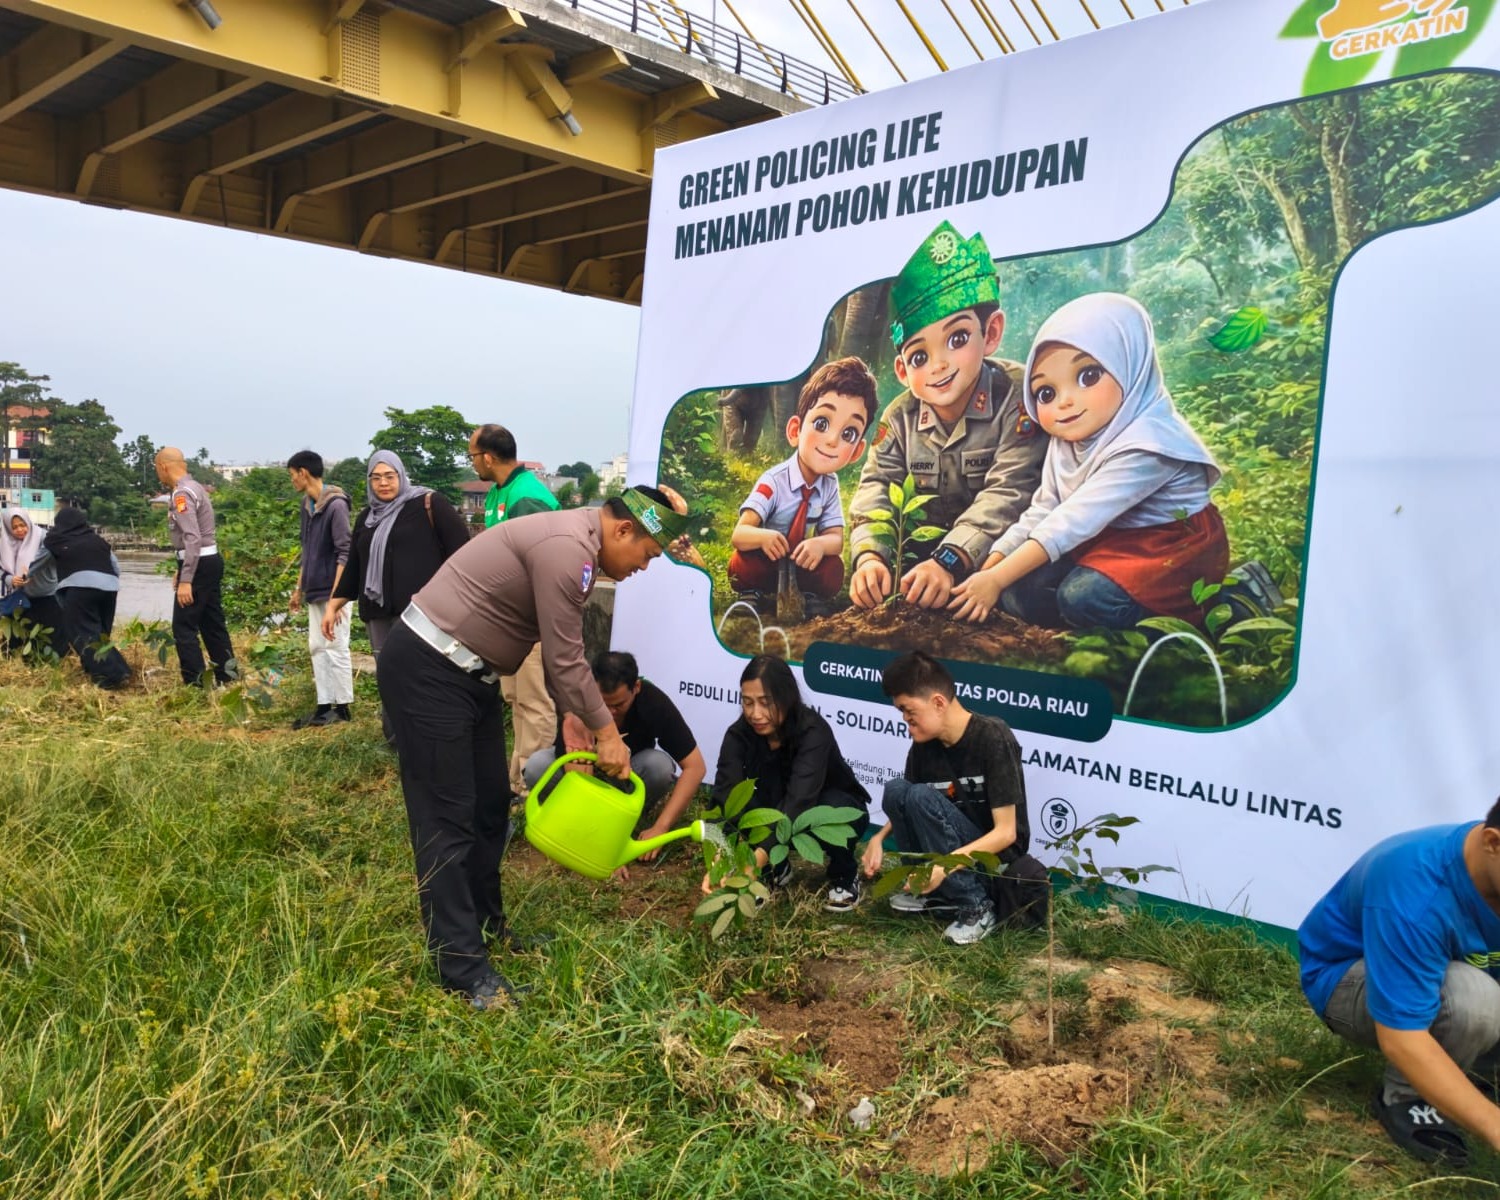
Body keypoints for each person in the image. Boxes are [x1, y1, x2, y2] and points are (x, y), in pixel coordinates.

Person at [376, 485, 686, 1010]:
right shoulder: (569, 549)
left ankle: (487, 927)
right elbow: (566, 658)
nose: (644, 567)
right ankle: (462, 967)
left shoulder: (579, 544)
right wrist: (607, 734)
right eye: (647, 555)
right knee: (447, 819)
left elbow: (555, 647)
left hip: (469, 678)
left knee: (491, 806)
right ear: (624, 530)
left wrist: (576, 717)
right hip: (429, 669)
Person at [950, 293, 1230, 629]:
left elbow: (1072, 520)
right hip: (1105, 539)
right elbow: (1043, 510)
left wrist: (994, 580)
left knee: (1084, 598)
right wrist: (990, 571)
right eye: (1046, 393)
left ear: (1129, 364)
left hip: (1171, 546)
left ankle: (1223, 610)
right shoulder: (1068, 438)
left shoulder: (1149, 444)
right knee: (1018, 591)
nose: (1065, 402)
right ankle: (1085, 626)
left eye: (1088, 376)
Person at [847, 221, 1045, 612]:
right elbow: (876, 485)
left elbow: (1010, 492)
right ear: (903, 371)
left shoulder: (1016, 395)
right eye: (920, 356)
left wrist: (950, 560)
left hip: (997, 555)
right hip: (920, 564)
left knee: (1023, 600)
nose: (938, 366)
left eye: (957, 339)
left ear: (990, 334)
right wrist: (869, 556)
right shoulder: (900, 416)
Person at [1298, 804, 1500, 1167]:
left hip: (1452, 975)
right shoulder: (1416, 884)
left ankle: (1472, 1077)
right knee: (1474, 1002)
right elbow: (1403, 1037)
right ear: (1493, 843)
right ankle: (1409, 1100)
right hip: (1350, 979)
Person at [861, 652, 1046, 944]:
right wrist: (878, 839)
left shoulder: (993, 736)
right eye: (901, 714)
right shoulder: (925, 744)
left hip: (995, 861)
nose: (906, 721)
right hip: (950, 854)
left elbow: (1007, 833)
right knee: (898, 789)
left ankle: (977, 905)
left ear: (938, 702)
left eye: (909, 711)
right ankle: (936, 894)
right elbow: (905, 801)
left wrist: (943, 865)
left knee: (921, 795)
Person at [709, 655, 871, 912]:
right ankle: (775, 867)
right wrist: (721, 858)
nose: (755, 714)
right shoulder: (737, 735)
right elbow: (724, 797)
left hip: (826, 807)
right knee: (745, 800)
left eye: (766, 703)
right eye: (748, 702)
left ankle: (844, 873)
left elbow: (799, 802)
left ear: (787, 698)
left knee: (829, 810)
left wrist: (751, 863)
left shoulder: (813, 732)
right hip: (775, 809)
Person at [523, 650, 707, 868]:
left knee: (659, 765)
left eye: (618, 705)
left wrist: (660, 828)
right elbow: (581, 783)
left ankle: (629, 820)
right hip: (582, 781)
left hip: (626, 779)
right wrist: (602, 845)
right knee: (537, 766)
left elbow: (695, 767)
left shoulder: (654, 703)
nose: (609, 714)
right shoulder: (580, 702)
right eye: (602, 704)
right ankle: (566, 822)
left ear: (636, 688)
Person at [727, 357, 878, 615]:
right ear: (795, 430)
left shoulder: (829, 484)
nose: (832, 440)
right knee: (741, 564)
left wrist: (819, 545)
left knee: (833, 569)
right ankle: (752, 593)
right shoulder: (773, 481)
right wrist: (764, 538)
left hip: (799, 559)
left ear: (856, 452)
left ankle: (809, 595)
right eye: (822, 424)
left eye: (848, 434)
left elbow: (836, 540)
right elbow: (739, 535)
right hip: (767, 557)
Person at [468, 423, 561, 797]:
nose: (473, 462)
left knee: (535, 702)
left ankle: (535, 788)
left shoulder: (528, 498)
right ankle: (518, 781)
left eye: (473, 456)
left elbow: (543, 565)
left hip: (531, 620)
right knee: (516, 699)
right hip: (507, 620)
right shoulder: (498, 493)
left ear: (488, 457)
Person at [324, 450, 470, 655]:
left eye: (389, 476)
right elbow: (355, 569)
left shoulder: (429, 503)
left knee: (420, 675)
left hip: (422, 615)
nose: (383, 483)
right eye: (376, 478)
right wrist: (333, 606)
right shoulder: (367, 517)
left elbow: (462, 553)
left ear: (401, 476)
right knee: (387, 675)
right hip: (378, 614)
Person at [19, 507, 131, 689]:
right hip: (110, 587)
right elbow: (115, 566)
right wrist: (107, 583)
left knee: (81, 633)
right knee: (101, 632)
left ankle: (114, 674)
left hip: (80, 588)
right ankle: (97, 669)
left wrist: (23, 578)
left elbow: (37, 564)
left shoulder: (54, 540)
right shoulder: (97, 540)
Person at [154, 447, 237, 685]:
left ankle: (196, 682)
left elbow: (192, 537)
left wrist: (187, 579)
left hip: (199, 563)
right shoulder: (197, 488)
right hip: (208, 561)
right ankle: (228, 677)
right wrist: (181, 569)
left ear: (163, 467)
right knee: (212, 623)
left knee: (184, 627)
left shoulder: (182, 494)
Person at [287, 451, 353, 728]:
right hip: (314, 588)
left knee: (336, 645)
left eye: (292, 475)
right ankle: (324, 705)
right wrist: (298, 588)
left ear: (303, 472)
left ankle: (343, 707)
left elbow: (344, 552)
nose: (292, 481)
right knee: (317, 646)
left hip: (333, 590)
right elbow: (307, 549)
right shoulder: (307, 505)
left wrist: (337, 598)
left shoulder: (335, 505)